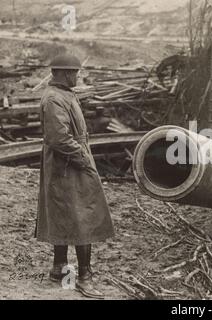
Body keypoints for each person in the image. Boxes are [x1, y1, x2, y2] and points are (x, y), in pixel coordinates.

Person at [36, 53, 115, 298]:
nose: (76, 76)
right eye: (72, 73)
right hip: (68, 163)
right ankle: (84, 276)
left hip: (67, 162)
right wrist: (82, 158)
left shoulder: (64, 94)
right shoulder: (53, 99)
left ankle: (59, 268)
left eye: (76, 72)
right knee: (83, 213)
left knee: (66, 211)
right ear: (59, 73)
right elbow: (59, 138)